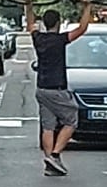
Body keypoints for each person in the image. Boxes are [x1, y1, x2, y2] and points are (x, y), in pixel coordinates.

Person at [30, 9, 78, 174]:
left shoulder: (38, 39)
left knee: (48, 126)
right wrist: (87, 8)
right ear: (58, 23)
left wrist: (28, 4)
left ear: (44, 23)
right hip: (57, 89)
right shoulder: (61, 40)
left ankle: (50, 165)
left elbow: (30, 24)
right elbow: (83, 29)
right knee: (71, 120)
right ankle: (55, 155)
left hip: (41, 88)